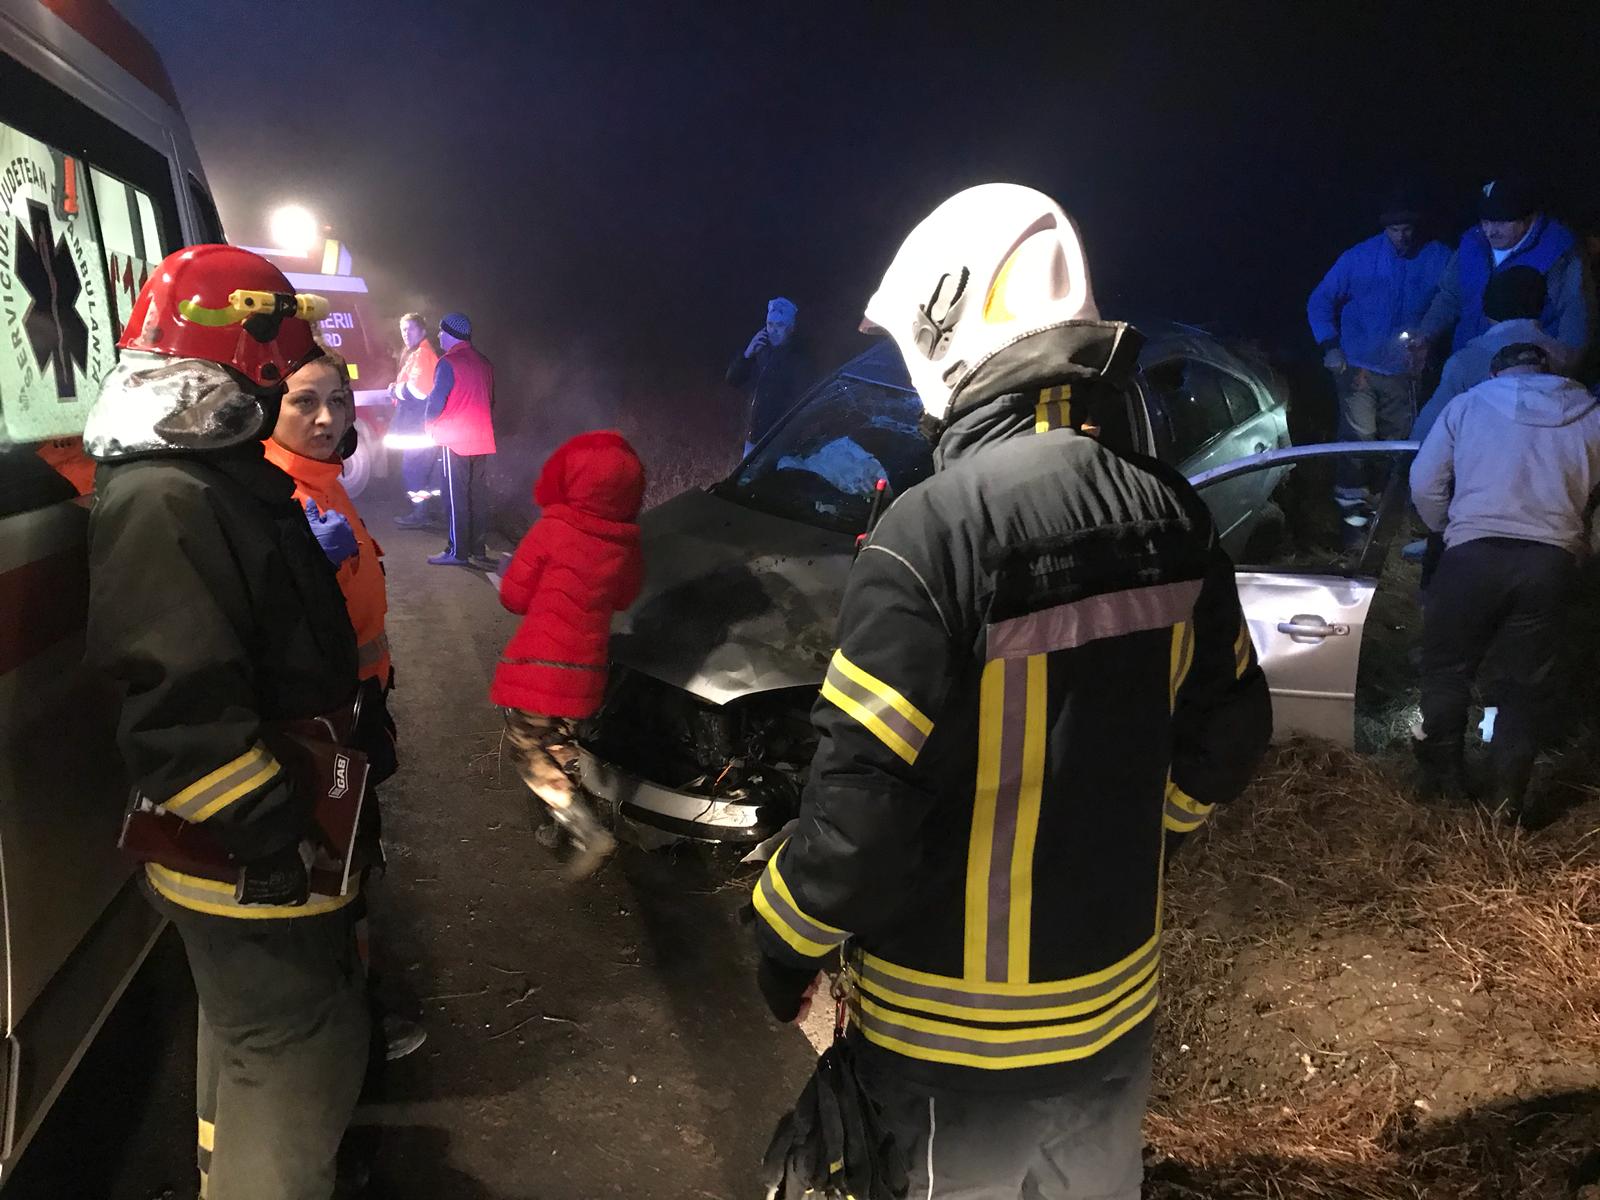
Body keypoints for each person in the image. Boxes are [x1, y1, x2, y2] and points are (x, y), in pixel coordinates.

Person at [748, 184, 1273, 1198]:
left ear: (946, 332)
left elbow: (859, 819)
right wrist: (1151, 834)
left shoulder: (929, 532)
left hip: (950, 1044)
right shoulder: (1173, 513)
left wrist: (781, 935)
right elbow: (1232, 732)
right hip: (1114, 1013)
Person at [81, 245, 367, 1200]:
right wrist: (271, 831)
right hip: (244, 845)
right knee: (298, 1045)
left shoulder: (197, 475)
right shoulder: (170, 495)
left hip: (246, 834)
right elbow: (179, 714)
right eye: (285, 357)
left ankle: (225, 1173)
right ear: (249, 351)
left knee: (250, 1033)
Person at [264, 350, 425, 1070]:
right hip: (320, 724)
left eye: (337, 401)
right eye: (304, 401)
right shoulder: (276, 498)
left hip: (356, 710)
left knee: (354, 861)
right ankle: (347, 1025)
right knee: (335, 871)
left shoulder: (320, 482)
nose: (327, 418)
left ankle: (352, 1006)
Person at [1409, 343, 1600, 816]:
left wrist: (1448, 530)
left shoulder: (1468, 405)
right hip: (1549, 562)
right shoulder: (1592, 415)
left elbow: (1425, 481)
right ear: (1549, 372)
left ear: (1496, 372)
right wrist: (1584, 547)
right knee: (1524, 687)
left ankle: (1445, 785)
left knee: (1447, 670)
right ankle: (1506, 803)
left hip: (1472, 555)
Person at [492, 431, 645, 879]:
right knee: (560, 743)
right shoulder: (625, 544)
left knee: (527, 746)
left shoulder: (552, 528)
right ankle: (557, 821)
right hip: (588, 673)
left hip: (539, 665)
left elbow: (513, 597)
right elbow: (625, 596)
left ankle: (585, 829)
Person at [1306, 189, 1449, 518]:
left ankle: (1392, 509)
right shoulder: (1358, 258)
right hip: (1358, 368)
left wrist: (1429, 340)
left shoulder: (1439, 257)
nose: (1401, 237)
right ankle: (1352, 514)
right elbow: (1320, 301)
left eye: (1407, 229)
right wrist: (1330, 345)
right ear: (1385, 228)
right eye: (1394, 230)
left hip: (1405, 372)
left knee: (1400, 442)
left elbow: (1452, 300)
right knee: (1357, 439)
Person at [1415, 176, 1595, 365]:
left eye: (1501, 222)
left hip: (1524, 368)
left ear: (1528, 219)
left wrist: (1563, 366)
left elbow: (1575, 314)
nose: (1491, 231)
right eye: (1485, 222)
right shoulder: (1472, 244)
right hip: (1470, 360)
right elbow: (1449, 296)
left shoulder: (1556, 252)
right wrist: (1426, 334)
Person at [1412, 266, 1572, 443]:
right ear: (1542, 305)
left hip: (1482, 458)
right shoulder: (1565, 360)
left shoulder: (1466, 363)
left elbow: (1427, 433)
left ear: (1487, 309)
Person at [424, 311, 497, 566]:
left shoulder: (448, 363)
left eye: (441, 332)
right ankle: (478, 550)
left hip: (455, 440)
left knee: (456, 499)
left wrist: (428, 425)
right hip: (482, 439)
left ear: (451, 335)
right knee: (477, 497)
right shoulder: (484, 362)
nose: (438, 336)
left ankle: (457, 552)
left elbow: (436, 401)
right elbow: (490, 400)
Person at [727, 296, 817, 451]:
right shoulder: (760, 349)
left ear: (791, 328)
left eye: (780, 325)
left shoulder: (800, 359)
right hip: (753, 435)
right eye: (770, 324)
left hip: (779, 441)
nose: (773, 330)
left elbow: (801, 404)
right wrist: (746, 355)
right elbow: (732, 379)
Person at [389, 312, 442, 529]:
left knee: (413, 471)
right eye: (403, 329)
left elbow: (418, 391)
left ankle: (420, 514)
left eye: (410, 329)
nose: (406, 334)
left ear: (422, 331)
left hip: (417, 426)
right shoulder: (419, 353)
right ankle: (427, 511)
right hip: (420, 425)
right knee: (423, 472)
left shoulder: (423, 354)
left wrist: (394, 390)